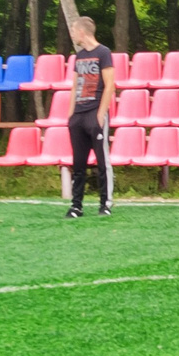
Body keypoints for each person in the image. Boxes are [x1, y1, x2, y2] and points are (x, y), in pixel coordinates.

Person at [64, 16, 118, 219]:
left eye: (74, 30)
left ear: (82, 32)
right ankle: (76, 205)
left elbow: (110, 84)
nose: (72, 34)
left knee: (102, 162)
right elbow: (75, 85)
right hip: (78, 114)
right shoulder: (78, 57)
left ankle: (105, 203)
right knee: (78, 163)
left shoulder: (103, 53)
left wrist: (100, 114)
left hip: (94, 113)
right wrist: (71, 114)